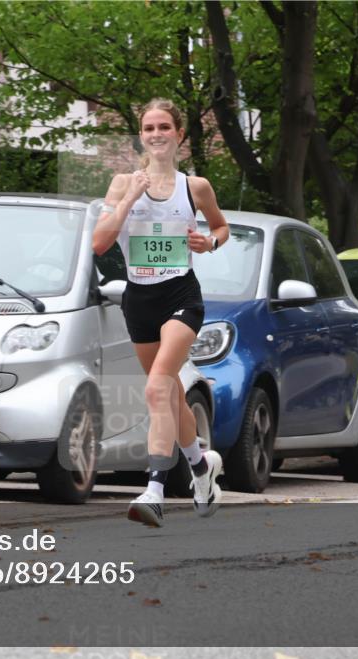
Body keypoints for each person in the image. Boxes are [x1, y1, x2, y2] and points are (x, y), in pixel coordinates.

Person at [92, 98, 230, 527]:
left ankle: (154, 491)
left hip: (181, 299)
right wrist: (129, 198)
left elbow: (220, 227)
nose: (156, 134)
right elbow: (99, 243)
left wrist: (211, 243)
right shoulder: (121, 184)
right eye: (149, 127)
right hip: (139, 300)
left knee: (156, 389)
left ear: (179, 134)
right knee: (169, 394)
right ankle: (203, 468)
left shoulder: (196, 187)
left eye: (164, 127)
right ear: (141, 135)